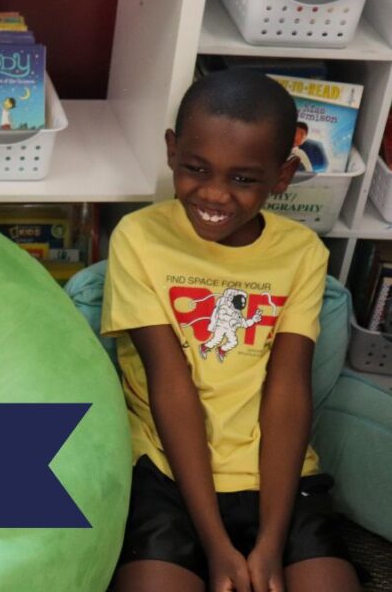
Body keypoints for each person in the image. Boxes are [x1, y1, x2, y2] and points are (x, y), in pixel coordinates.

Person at [102, 68, 358, 592]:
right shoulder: (138, 238)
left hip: (280, 478)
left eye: (243, 179)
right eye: (197, 169)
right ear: (172, 151)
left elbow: (289, 391)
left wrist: (271, 540)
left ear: (282, 176)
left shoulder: (302, 253)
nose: (215, 195)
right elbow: (170, 386)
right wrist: (217, 544)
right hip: (166, 474)